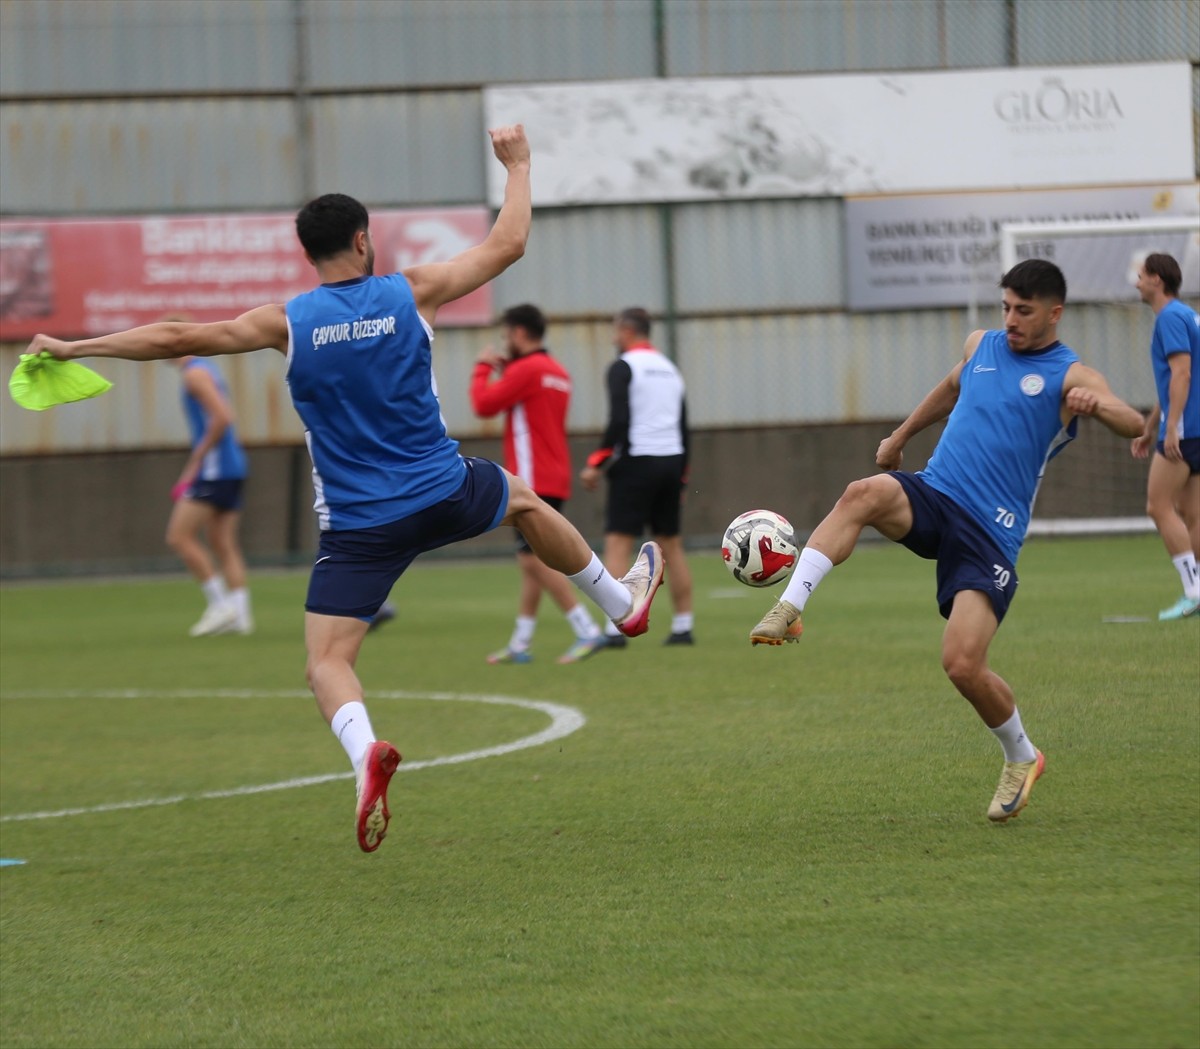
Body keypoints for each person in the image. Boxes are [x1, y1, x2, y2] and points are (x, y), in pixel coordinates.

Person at [24, 125, 665, 854]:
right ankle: (621, 604)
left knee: (327, 662)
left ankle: (364, 754)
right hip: (443, 489)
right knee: (520, 499)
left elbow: (176, 336)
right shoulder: (410, 291)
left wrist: (75, 347)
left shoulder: (285, 322)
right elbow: (507, 244)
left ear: (310, 254)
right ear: (363, 240)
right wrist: (518, 166)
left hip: (360, 525)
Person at [748, 259, 1144, 823]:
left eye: (1024, 311)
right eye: (1006, 306)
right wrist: (901, 435)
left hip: (989, 536)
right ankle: (790, 605)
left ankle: (1022, 755)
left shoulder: (1069, 374)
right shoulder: (981, 344)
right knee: (862, 493)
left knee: (961, 664)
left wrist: (1098, 406)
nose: (1010, 319)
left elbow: (1131, 421)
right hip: (935, 494)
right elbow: (952, 385)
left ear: (1054, 313)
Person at [470, 303, 604, 665]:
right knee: (532, 560)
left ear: (518, 333)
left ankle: (587, 629)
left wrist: (483, 368)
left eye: (505, 335)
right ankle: (521, 641)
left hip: (530, 478)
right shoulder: (557, 371)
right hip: (555, 475)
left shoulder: (526, 370)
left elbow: (483, 405)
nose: (504, 342)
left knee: (532, 561)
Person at [580, 307, 695, 647]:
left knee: (618, 541)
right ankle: (683, 626)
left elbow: (619, 419)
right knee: (671, 544)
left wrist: (596, 462)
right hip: (672, 461)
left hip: (637, 461)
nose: (614, 339)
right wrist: (684, 477)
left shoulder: (624, 366)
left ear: (627, 331)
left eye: (616, 332)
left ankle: (615, 629)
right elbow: (684, 427)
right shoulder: (671, 369)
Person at [162, 335, 253, 638]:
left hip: (215, 469)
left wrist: (196, 459)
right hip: (233, 466)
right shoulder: (207, 368)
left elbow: (223, 416)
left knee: (179, 536)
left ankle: (220, 605)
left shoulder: (194, 374)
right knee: (222, 542)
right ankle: (240, 615)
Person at [1131, 253, 1200, 620]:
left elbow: (1182, 375)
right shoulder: (1188, 315)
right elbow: (1175, 380)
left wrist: (1169, 426)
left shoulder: (1169, 318)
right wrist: (1150, 425)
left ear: (1157, 279)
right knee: (1193, 513)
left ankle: (1193, 591)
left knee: (1158, 506)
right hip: (1196, 427)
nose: (1137, 282)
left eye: (1141, 276)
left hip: (1185, 430)